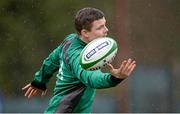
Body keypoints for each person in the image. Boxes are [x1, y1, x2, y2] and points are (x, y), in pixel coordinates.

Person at [22, 7, 136, 113]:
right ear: (85, 33)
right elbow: (92, 78)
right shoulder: (78, 57)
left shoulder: (69, 40)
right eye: (100, 27)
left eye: (105, 25)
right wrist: (113, 78)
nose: (106, 30)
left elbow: (51, 62)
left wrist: (40, 81)